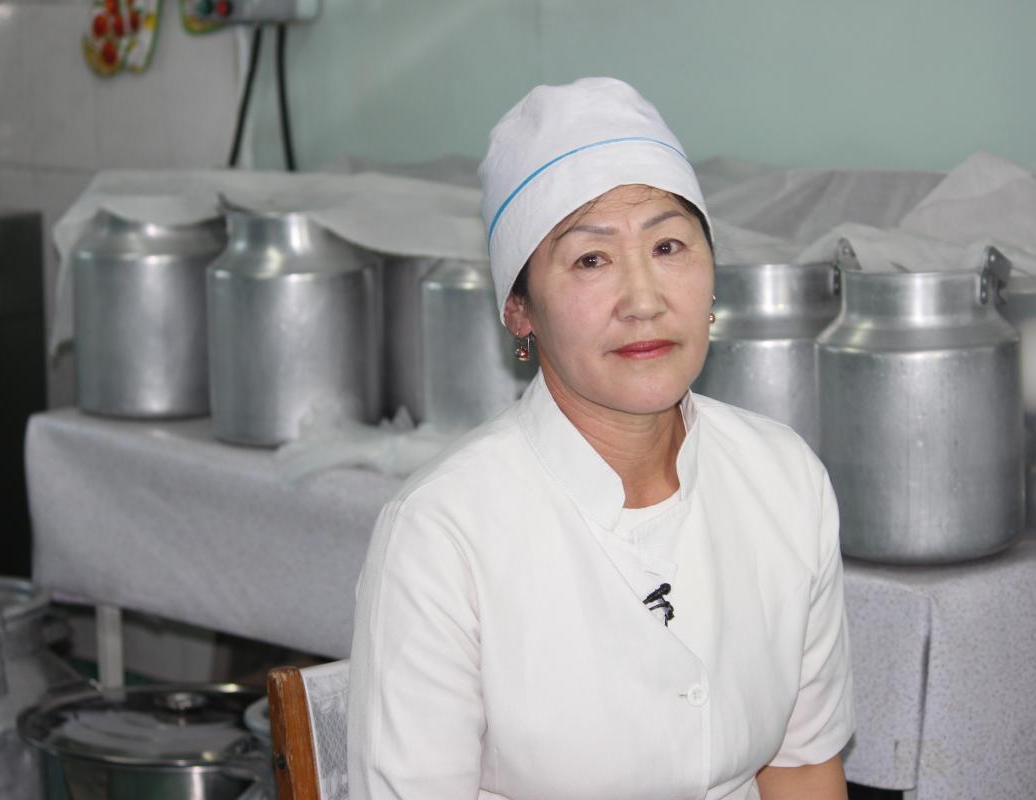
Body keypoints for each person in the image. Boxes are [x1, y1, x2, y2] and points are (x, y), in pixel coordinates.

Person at [347, 77, 854, 799]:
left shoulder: (783, 479)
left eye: (669, 246)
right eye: (591, 259)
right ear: (519, 309)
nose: (644, 300)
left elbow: (801, 767)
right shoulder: (444, 532)